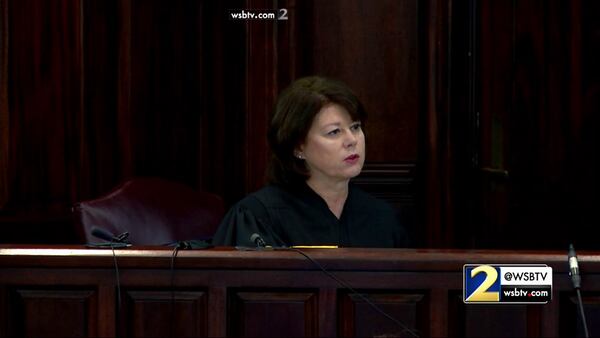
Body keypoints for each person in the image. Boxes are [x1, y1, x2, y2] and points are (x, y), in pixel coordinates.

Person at [212, 76, 409, 248]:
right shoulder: (258, 217)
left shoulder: (381, 218)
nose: (351, 140)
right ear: (298, 147)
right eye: (334, 132)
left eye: (355, 127)